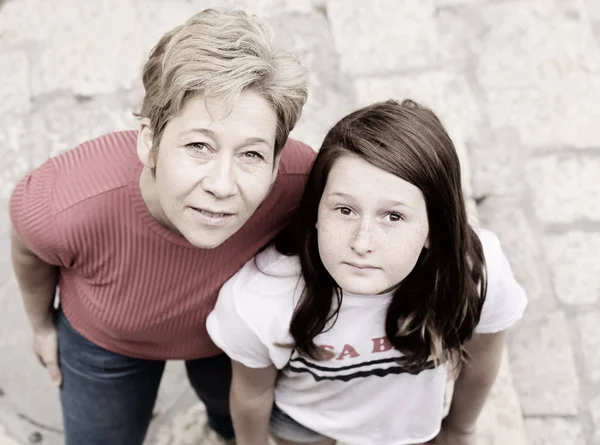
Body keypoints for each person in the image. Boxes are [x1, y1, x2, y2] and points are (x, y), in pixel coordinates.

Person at [9, 9, 315, 445]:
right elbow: (28, 247)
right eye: (198, 145)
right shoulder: (64, 204)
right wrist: (42, 326)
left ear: (276, 160)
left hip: (228, 341)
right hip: (107, 343)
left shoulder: (301, 183)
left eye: (250, 154)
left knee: (239, 425)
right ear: (149, 140)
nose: (223, 186)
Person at [206, 99, 528, 445]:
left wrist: (461, 427)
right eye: (344, 209)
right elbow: (252, 394)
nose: (362, 242)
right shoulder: (259, 300)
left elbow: (483, 353)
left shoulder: (477, 269)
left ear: (434, 228)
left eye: (393, 217)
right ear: (315, 212)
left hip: (406, 424)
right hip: (306, 423)